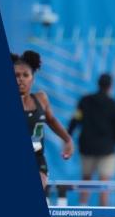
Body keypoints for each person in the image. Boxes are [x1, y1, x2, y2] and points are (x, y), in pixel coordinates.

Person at [67, 73, 115, 217]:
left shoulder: (85, 101)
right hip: (106, 150)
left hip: (87, 147)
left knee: (86, 181)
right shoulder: (114, 105)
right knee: (103, 184)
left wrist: (68, 138)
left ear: (98, 84)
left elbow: (75, 119)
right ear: (110, 86)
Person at [13, 50, 74, 189]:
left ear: (32, 78)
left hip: (37, 158)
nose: (21, 79)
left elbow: (51, 120)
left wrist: (68, 140)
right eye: (16, 75)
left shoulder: (41, 98)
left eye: (25, 75)